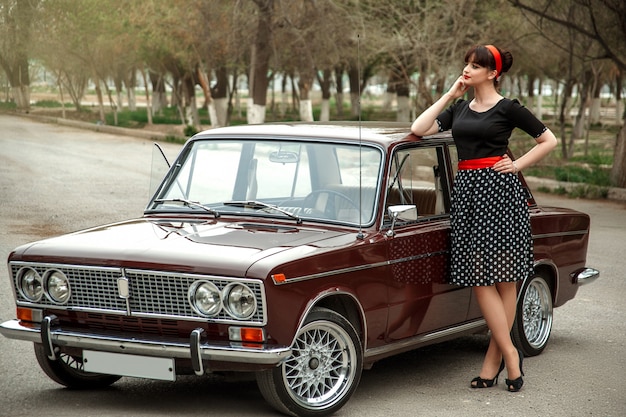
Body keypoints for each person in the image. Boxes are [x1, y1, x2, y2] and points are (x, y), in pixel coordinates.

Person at [411, 44, 557, 392]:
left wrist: (516, 164)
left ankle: (494, 362)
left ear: (493, 73)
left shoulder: (509, 108)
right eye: (467, 64)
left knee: (504, 279)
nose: (468, 69)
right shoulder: (460, 108)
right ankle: (510, 354)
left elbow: (548, 140)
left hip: (500, 192)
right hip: (467, 194)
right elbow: (419, 128)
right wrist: (449, 94)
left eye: (476, 66)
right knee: (481, 277)